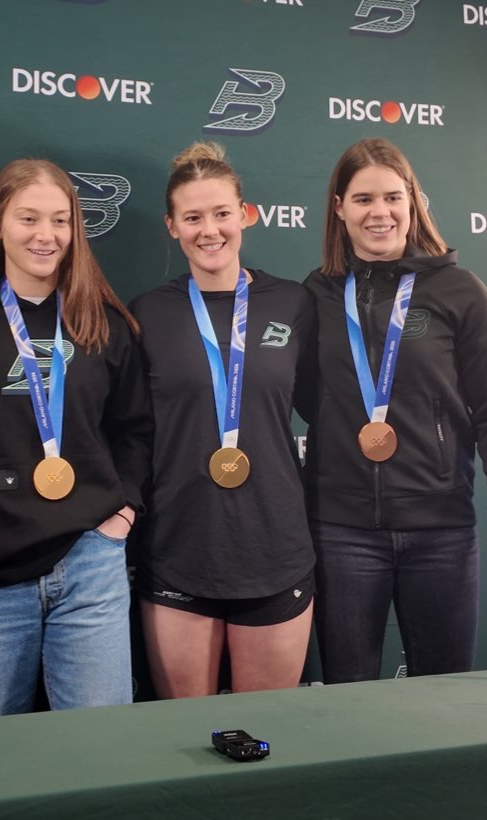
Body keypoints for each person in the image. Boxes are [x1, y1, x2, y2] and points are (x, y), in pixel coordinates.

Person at [0, 158, 151, 718]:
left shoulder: (102, 321)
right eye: (29, 218)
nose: (45, 236)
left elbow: (134, 429)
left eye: (60, 220)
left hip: (88, 563)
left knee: (103, 747)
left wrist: (120, 515)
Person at [304, 137, 487, 684]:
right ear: (339, 209)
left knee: (444, 703)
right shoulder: (315, 296)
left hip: (442, 532)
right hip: (341, 531)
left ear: (413, 202)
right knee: (348, 700)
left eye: (392, 197)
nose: (379, 213)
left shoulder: (460, 292)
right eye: (362, 200)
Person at [131, 142, 316, 698]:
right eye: (192, 217)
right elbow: (130, 432)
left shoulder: (293, 304)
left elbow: (328, 410)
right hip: (179, 548)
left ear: (245, 215)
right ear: (171, 226)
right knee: (184, 739)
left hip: (274, 547)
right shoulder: (146, 314)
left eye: (220, 214)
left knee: (265, 736)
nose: (208, 230)